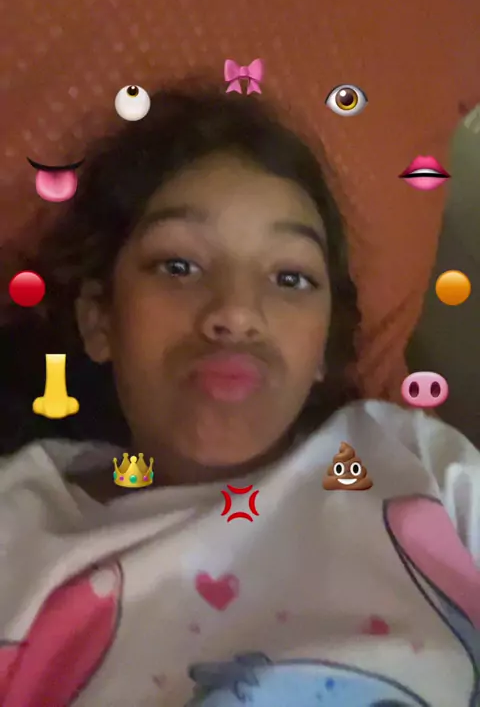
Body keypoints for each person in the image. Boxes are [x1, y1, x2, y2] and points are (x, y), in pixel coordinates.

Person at [0, 83, 478, 707]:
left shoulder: (415, 460)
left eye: (290, 277)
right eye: (179, 266)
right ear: (100, 320)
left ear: (324, 346)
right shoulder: (18, 524)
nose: (236, 312)